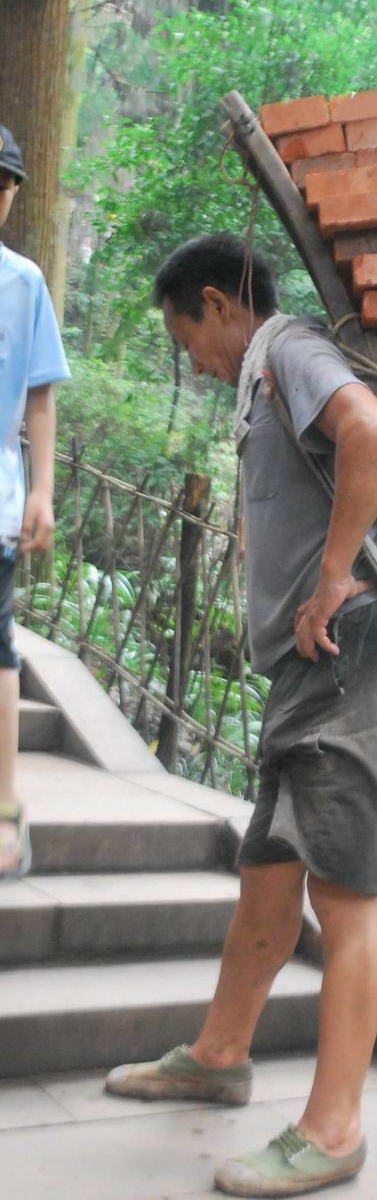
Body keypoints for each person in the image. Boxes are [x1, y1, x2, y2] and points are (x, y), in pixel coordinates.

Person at [105, 233, 377, 1196]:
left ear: (216, 303)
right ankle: (220, 1054)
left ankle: (334, 1129)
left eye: (187, 341)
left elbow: (372, 432)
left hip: (349, 653)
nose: (194, 365)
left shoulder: (287, 348)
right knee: (268, 874)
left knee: (345, 893)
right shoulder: (262, 379)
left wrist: (330, 579)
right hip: (307, 668)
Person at [0, 126, 71, 878]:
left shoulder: (23, 283)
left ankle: (4, 810)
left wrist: (43, 491)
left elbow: (40, 396)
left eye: (2, 186)